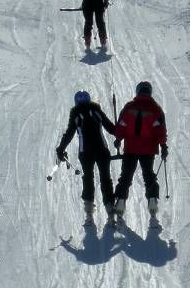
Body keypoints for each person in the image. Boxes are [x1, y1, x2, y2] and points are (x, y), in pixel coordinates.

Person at [56, 90, 118, 222]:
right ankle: (110, 210)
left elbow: (69, 134)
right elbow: (111, 128)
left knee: (88, 179)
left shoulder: (75, 115)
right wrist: (119, 134)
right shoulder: (96, 111)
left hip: (85, 153)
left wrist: (61, 149)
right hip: (102, 150)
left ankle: (89, 213)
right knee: (106, 179)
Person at [113, 80, 168, 217]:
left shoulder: (129, 107)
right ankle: (152, 201)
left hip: (130, 148)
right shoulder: (156, 109)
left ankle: (120, 202)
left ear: (138, 91)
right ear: (149, 92)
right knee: (149, 175)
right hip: (148, 150)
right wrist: (163, 146)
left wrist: (118, 139)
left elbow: (121, 125)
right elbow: (160, 130)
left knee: (126, 176)